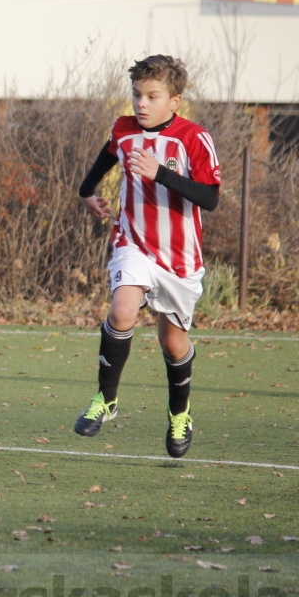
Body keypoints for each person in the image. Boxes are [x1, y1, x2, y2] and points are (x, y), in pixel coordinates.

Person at [74, 55, 221, 458]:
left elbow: (210, 197)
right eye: (137, 94)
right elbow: (107, 157)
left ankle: (180, 413)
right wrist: (87, 192)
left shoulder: (193, 138)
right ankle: (105, 400)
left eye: (152, 96)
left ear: (174, 100)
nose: (141, 103)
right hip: (133, 243)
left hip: (179, 258)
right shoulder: (122, 129)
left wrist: (161, 173)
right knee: (122, 311)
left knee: (173, 344)